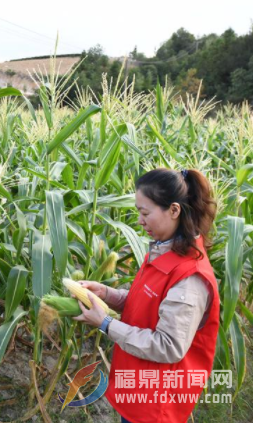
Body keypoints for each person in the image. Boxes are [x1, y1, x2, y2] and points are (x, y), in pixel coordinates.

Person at [72, 168, 219, 423]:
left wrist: (105, 324)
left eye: (145, 213)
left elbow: (168, 346)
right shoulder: (165, 251)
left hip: (155, 404)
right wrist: (107, 293)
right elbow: (147, 303)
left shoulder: (190, 279)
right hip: (139, 388)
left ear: (174, 210)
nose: (140, 221)